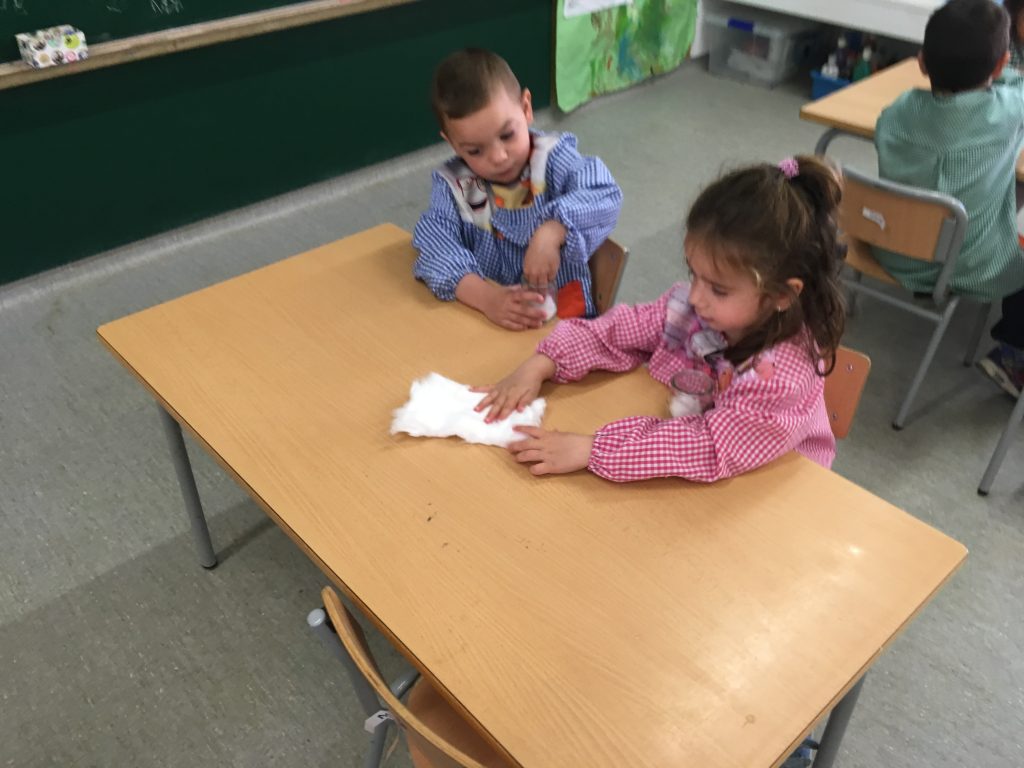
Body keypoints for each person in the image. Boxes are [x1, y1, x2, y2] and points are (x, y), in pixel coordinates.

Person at [473, 155, 845, 483]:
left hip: (775, 492)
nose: (695, 297)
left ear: (782, 295)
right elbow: (618, 329)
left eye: (718, 289)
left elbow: (706, 446)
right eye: (694, 274)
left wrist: (593, 449)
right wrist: (542, 364)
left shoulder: (780, 378)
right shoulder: (698, 309)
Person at [412, 48, 623, 331]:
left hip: (565, 326)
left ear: (526, 108)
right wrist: (487, 298)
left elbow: (605, 193)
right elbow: (435, 246)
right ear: (451, 143)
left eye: (507, 135)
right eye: (475, 150)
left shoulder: (552, 159)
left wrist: (553, 231)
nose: (499, 157)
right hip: (489, 324)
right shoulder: (458, 184)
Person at [874, 0, 1024, 397]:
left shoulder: (899, 110)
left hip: (892, 249)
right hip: (967, 267)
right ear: (1000, 64)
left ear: (922, 62)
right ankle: (1014, 357)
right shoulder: (1008, 112)